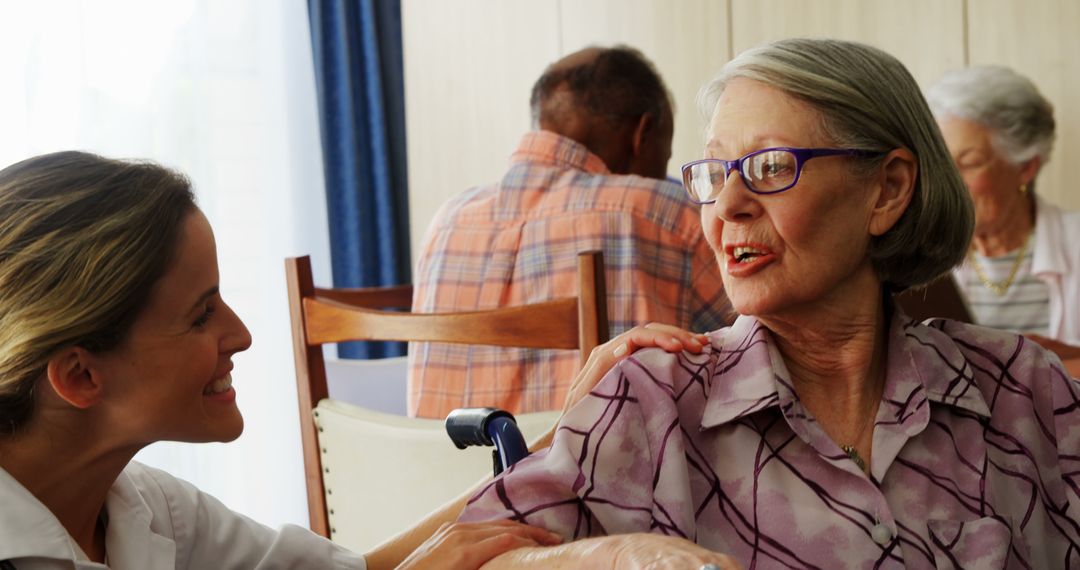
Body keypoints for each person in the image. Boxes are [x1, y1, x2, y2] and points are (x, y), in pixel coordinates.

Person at [459, 38, 1080, 568]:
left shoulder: (1024, 389)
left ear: (887, 190)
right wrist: (614, 556)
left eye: (770, 165)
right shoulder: (651, 398)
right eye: (714, 171)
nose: (726, 205)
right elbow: (471, 555)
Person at [0, 151, 715, 569]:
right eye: (200, 314)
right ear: (80, 375)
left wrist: (560, 435)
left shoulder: (136, 503)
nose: (242, 334)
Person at [408, 45, 732, 419]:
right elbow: (760, 343)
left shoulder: (447, 220)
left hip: (444, 475)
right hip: (584, 473)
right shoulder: (662, 211)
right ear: (642, 134)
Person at [926, 65, 1080, 374]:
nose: (949, 182)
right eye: (942, 162)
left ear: (1024, 167)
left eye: (969, 163)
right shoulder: (921, 255)